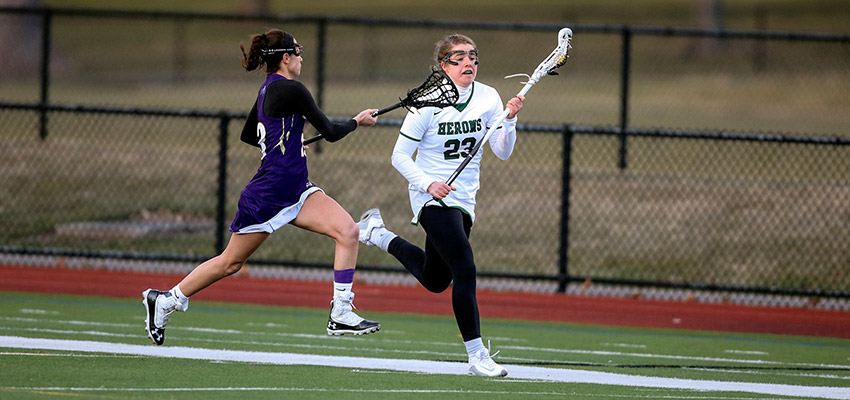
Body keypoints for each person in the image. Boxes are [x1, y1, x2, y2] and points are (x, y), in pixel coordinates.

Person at [143, 29, 381, 346]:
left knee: (348, 231)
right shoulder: (292, 90)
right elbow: (332, 131)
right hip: (269, 194)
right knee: (231, 263)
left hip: (296, 189)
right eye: (297, 51)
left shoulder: (267, 89)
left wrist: (288, 142)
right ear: (285, 58)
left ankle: (340, 313)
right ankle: (167, 300)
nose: (301, 56)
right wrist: (357, 121)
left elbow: (249, 134)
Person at [357, 33, 524, 377]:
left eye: (473, 56)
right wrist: (427, 184)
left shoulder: (489, 97)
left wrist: (509, 119)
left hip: (463, 198)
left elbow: (503, 151)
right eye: (459, 57)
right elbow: (399, 156)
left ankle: (378, 234)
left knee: (436, 279)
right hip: (430, 196)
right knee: (465, 268)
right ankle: (477, 356)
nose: (469, 63)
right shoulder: (428, 102)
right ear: (443, 65)